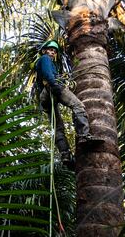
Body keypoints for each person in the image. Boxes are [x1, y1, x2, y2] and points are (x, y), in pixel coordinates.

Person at [35, 40, 103, 169]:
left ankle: (65, 155)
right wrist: (55, 85)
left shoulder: (46, 62)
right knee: (78, 105)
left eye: (54, 51)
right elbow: (48, 75)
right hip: (52, 87)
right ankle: (84, 135)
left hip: (45, 97)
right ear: (44, 51)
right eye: (50, 50)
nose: (52, 52)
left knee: (58, 127)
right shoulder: (45, 59)